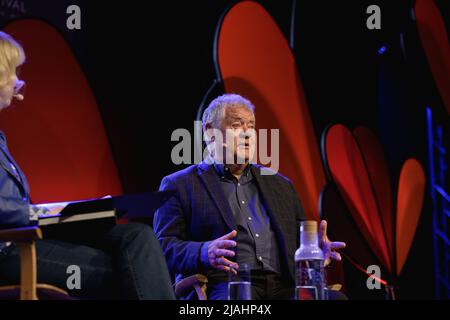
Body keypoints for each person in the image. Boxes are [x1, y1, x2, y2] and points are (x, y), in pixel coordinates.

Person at [0, 31, 175, 300]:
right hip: (10, 251)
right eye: (14, 70)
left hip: (27, 239)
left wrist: (76, 212)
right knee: (130, 270)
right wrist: (49, 212)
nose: (19, 80)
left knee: (136, 235)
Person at [154, 93, 347, 300]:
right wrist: (203, 251)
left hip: (283, 286)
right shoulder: (179, 185)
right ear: (210, 132)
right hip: (226, 284)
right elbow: (162, 247)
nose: (248, 134)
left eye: (251, 126)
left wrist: (315, 252)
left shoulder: (281, 185)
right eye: (237, 125)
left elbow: (298, 248)